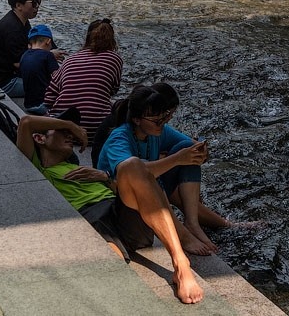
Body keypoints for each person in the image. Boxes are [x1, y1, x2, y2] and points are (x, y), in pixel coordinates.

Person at [16, 109, 205, 304]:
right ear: (39, 138)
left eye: (70, 132)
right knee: (111, 270)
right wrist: (69, 125)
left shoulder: (81, 169)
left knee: (131, 165)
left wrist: (105, 176)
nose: (70, 135)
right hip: (92, 220)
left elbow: (128, 191)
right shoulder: (37, 169)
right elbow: (26, 122)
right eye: (61, 131)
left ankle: (180, 263)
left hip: (120, 212)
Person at [97, 83, 232, 257]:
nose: (162, 122)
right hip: (123, 200)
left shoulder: (157, 131)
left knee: (185, 148)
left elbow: (191, 145)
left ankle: (193, 224)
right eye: (157, 119)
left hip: (153, 189)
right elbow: (134, 172)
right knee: (157, 173)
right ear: (137, 119)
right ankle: (185, 235)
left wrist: (201, 151)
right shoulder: (120, 137)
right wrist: (177, 159)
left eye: (164, 116)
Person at [45, 19, 122, 142]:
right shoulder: (115, 59)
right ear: (112, 39)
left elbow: (49, 98)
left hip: (62, 129)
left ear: (87, 37)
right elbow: (113, 90)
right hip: (96, 133)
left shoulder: (70, 59)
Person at [0, 0, 64, 87]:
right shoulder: (12, 28)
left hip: (9, 73)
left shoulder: (21, 21)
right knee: (53, 87)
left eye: (39, 1)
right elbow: (20, 63)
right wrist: (49, 55)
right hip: (3, 80)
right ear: (19, 5)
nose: (37, 6)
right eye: (34, 2)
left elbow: (32, 46)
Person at [20, 24, 59, 113]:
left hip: (28, 105)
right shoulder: (48, 55)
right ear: (48, 42)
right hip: (44, 105)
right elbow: (58, 78)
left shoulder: (24, 56)